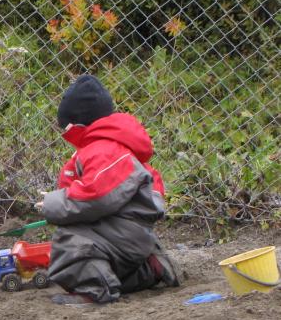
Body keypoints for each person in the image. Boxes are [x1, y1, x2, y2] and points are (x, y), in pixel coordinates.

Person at [38, 75, 181, 304]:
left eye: (65, 127)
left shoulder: (103, 149)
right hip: (127, 232)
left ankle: (94, 290)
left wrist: (54, 203)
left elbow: (96, 198)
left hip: (123, 232)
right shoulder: (110, 144)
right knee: (84, 240)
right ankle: (149, 269)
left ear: (78, 125)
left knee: (70, 241)